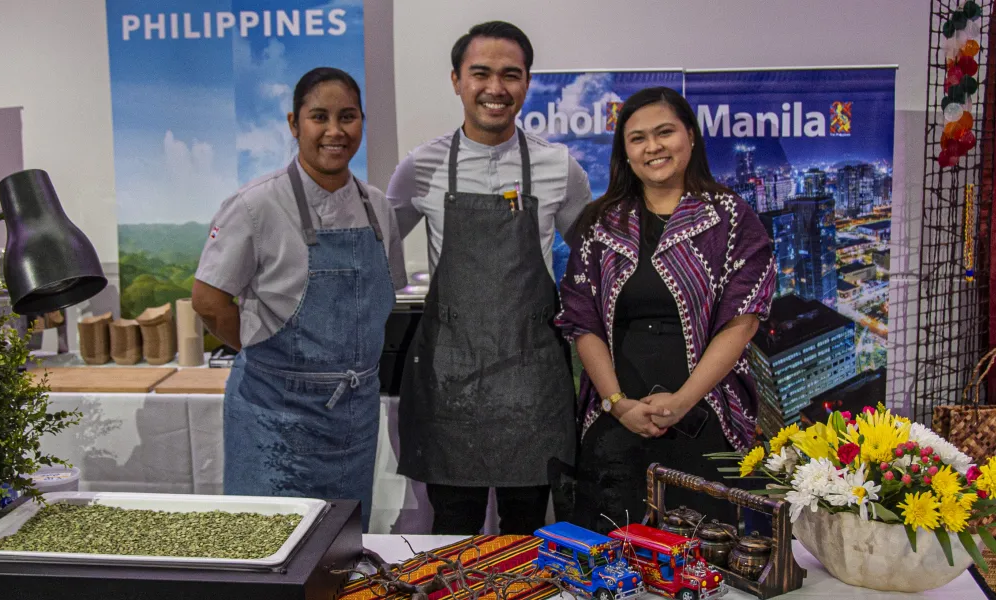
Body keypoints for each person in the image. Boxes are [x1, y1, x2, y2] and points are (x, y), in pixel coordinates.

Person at [388, 20, 592, 535]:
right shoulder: (421, 167)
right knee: (453, 529)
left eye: (511, 74)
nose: (495, 88)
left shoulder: (558, 167)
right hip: (449, 383)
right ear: (456, 79)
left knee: (529, 535)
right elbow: (376, 243)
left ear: (527, 83)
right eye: (481, 73)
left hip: (534, 383)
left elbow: (596, 264)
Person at [556, 87, 777, 534]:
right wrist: (618, 404)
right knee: (605, 549)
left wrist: (681, 402)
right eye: (637, 138)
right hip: (617, 411)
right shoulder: (602, 223)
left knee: (705, 551)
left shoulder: (731, 218)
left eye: (664, 132)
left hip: (706, 408)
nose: (652, 147)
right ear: (625, 152)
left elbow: (742, 322)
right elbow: (583, 323)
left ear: (691, 138)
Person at [192, 67, 406, 522]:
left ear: (362, 122)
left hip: (354, 415)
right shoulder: (255, 205)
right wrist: (269, 358)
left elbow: (389, 293)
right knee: (266, 546)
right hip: (273, 416)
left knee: (343, 550)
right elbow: (208, 302)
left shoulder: (378, 208)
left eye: (347, 117)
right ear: (294, 124)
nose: (335, 131)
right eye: (319, 117)